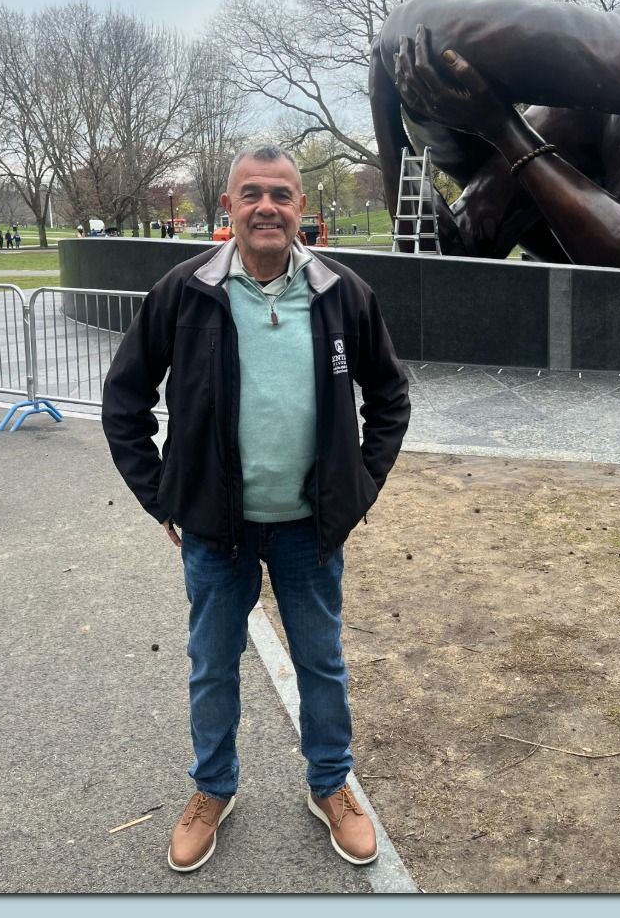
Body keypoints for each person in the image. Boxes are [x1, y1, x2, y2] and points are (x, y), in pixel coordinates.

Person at [102, 144, 412, 874]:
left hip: (310, 527)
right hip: (217, 531)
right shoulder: (184, 292)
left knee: (321, 663)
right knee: (212, 663)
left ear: (302, 209)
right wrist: (163, 495)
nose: (266, 206)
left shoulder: (344, 294)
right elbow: (125, 403)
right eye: (251, 194)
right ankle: (212, 789)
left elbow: (390, 398)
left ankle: (330, 785)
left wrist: (358, 488)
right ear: (229, 207)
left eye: (281, 194)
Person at [368, 0, 620, 271]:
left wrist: (502, 128)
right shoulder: (553, 127)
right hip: (604, 99)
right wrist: (382, 97)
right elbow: (439, 251)